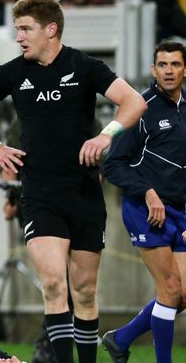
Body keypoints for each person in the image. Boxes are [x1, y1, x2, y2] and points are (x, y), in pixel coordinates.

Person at [0, 0, 147, 363]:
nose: (19, 37)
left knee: (84, 290)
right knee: (52, 284)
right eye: (18, 29)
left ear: (51, 29)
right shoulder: (14, 72)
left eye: (25, 29)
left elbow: (134, 102)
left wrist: (104, 136)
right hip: (39, 194)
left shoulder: (84, 66)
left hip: (83, 192)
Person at [101, 41, 186, 363]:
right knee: (169, 291)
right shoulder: (139, 108)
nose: (168, 70)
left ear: (184, 69)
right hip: (144, 211)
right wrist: (149, 193)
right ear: (153, 70)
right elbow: (112, 166)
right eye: (162, 64)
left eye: (175, 64)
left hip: (180, 211)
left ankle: (120, 339)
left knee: (182, 295)